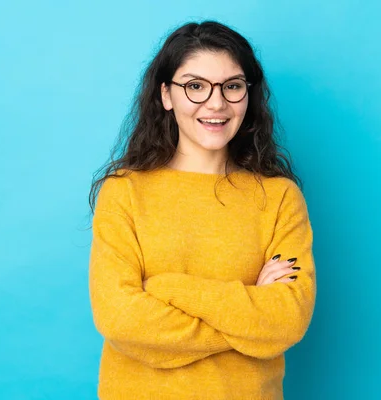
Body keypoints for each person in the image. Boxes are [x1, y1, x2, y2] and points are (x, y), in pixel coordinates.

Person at [88, 20, 317, 400]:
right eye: (195, 86)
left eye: (232, 86)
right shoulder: (124, 191)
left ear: (249, 94)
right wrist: (247, 319)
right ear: (166, 95)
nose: (216, 103)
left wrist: (166, 288)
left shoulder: (279, 198)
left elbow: (286, 321)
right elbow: (121, 319)